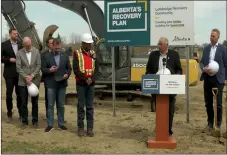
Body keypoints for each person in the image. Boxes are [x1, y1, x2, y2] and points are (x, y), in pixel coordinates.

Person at [146, 37, 182, 136]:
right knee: (160, 110)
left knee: (170, 111)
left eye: (161, 44)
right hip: (156, 88)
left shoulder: (174, 55)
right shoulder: (153, 55)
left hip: (170, 88)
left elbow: (179, 69)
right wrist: (149, 75)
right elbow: (148, 70)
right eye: (158, 44)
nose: (159, 46)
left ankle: (168, 130)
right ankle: (160, 130)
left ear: (166, 45)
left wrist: (177, 76)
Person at [41, 38, 72, 132]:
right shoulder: (46, 56)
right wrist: (49, 70)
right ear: (52, 46)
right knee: (50, 105)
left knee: (61, 105)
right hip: (51, 84)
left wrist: (67, 74)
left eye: (59, 48)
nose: (58, 49)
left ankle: (61, 123)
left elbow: (69, 68)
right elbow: (42, 69)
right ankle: (50, 124)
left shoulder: (65, 56)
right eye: (56, 48)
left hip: (62, 84)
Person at [200, 29, 227, 131]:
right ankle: (210, 123)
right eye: (211, 36)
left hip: (218, 79)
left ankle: (218, 124)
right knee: (208, 102)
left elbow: (226, 65)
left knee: (218, 103)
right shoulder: (206, 48)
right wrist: (203, 69)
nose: (211, 38)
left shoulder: (223, 49)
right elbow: (201, 62)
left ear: (218, 37)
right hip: (207, 78)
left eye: (213, 36)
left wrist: (225, 79)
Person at [73, 33, 99, 137]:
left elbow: (97, 68)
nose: (90, 45)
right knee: (80, 107)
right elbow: (76, 69)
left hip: (91, 84)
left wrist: (91, 79)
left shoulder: (94, 53)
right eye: (88, 44)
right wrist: (85, 79)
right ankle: (80, 128)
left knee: (90, 107)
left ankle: (90, 129)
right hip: (81, 84)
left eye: (90, 44)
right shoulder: (76, 53)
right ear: (83, 43)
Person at [16, 37, 41, 127]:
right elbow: (18, 67)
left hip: (35, 80)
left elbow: (38, 65)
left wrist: (32, 76)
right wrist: (26, 77)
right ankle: (24, 121)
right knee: (23, 102)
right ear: (24, 45)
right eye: (27, 45)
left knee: (35, 102)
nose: (29, 46)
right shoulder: (19, 53)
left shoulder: (36, 51)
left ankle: (35, 121)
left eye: (30, 44)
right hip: (23, 82)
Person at [1, 28, 23, 122]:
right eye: (14, 34)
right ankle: (9, 112)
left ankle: (21, 113)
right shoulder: (4, 44)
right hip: (9, 73)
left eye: (17, 34)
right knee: (9, 95)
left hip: (19, 74)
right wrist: (9, 60)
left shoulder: (20, 44)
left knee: (19, 95)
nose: (16, 36)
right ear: (10, 34)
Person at [41, 37, 54, 120]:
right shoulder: (44, 55)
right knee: (48, 99)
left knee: (59, 100)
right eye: (51, 43)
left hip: (59, 80)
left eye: (54, 42)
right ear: (48, 45)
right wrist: (49, 70)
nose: (53, 44)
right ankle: (48, 115)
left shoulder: (60, 53)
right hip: (48, 80)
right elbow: (42, 68)